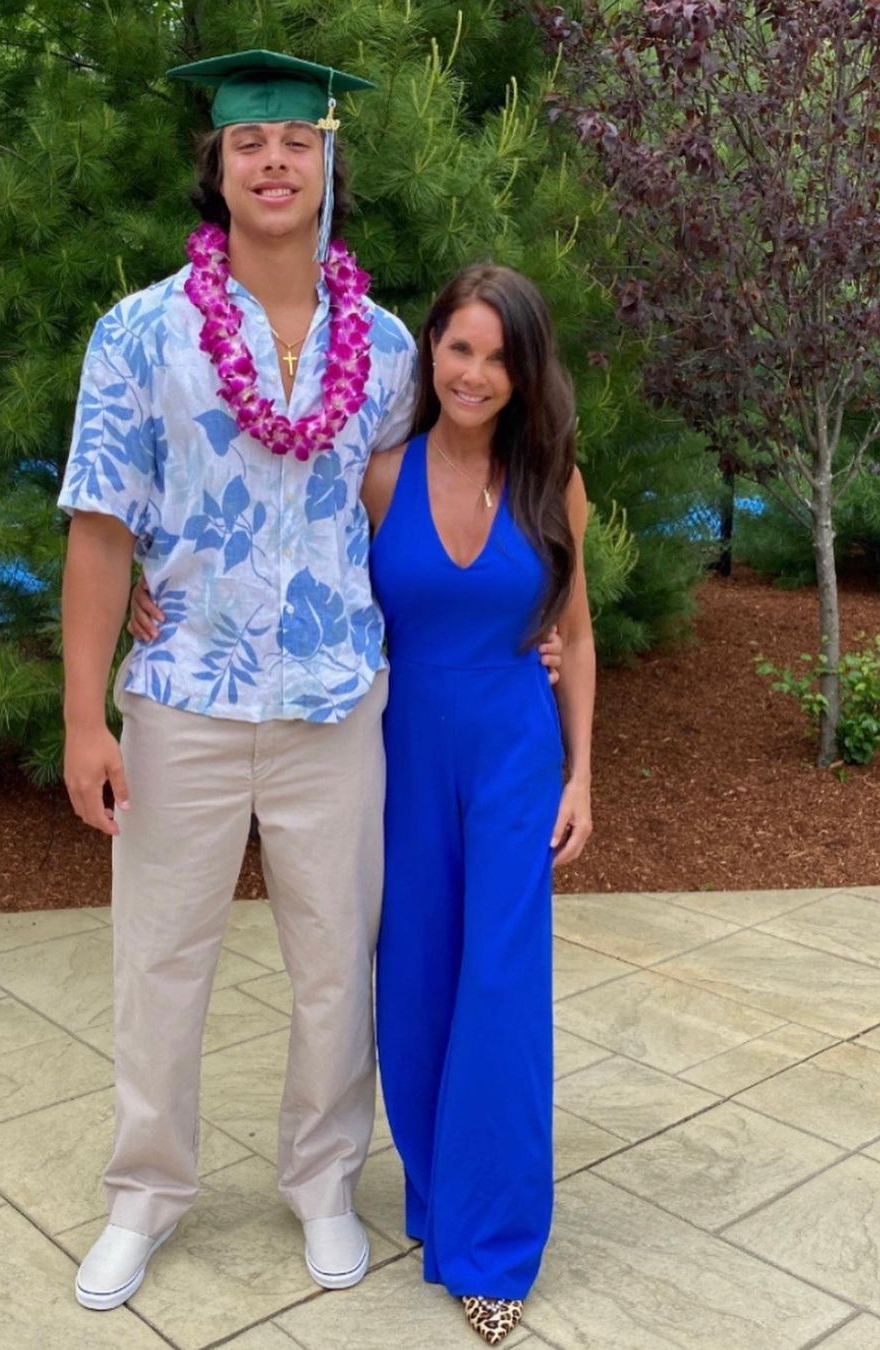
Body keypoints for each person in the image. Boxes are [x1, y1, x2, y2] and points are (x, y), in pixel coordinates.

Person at [61, 46, 565, 1312]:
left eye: (296, 138)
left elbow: (439, 497)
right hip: (180, 695)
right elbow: (98, 531)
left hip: (341, 705)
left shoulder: (390, 347)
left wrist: (520, 616)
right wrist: (83, 718)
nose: (274, 159)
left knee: (339, 960)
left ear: (329, 159)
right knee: (161, 960)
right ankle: (145, 1195)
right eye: (249, 142)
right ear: (218, 168)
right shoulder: (138, 334)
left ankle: (325, 1182)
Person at [367, 265, 594, 1343]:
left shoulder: (556, 485)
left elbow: (578, 635)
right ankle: (437, 1194)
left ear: (525, 372)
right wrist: (152, 594)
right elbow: (301, 594)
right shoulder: (378, 477)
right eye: (459, 348)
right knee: (414, 982)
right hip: (403, 757)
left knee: (501, 987)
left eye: (499, 356)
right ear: (430, 352)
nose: (475, 373)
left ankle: (493, 1244)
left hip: (513, 758)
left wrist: (583, 774)